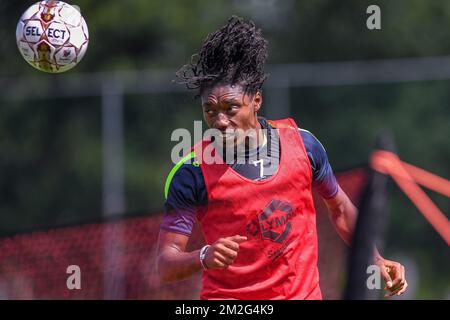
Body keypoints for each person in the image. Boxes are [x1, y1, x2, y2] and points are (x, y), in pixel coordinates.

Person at [156, 16, 407, 300]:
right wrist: (203, 255)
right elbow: (166, 264)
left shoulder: (304, 145)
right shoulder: (192, 172)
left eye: (231, 107)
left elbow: (338, 208)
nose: (221, 121)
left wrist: (374, 257)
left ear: (257, 101)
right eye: (210, 111)